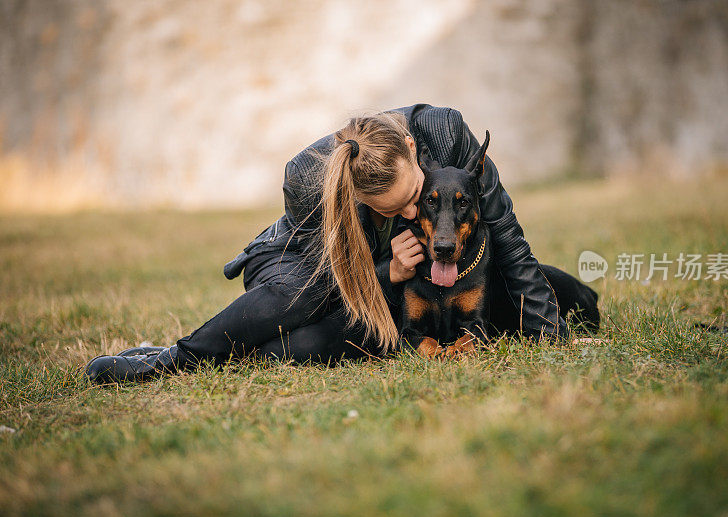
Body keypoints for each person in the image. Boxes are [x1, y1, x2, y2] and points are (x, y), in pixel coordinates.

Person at [85, 103, 600, 384]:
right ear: (356, 196)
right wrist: (391, 272)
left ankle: (245, 350)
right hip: (297, 271)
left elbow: (507, 238)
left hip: (378, 290)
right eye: (387, 212)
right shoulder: (308, 180)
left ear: (415, 151)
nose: (412, 215)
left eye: (413, 195)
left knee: (299, 349)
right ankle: (174, 358)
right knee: (303, 299)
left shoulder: (449, 135)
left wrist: (547, 336)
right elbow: (337, 285)